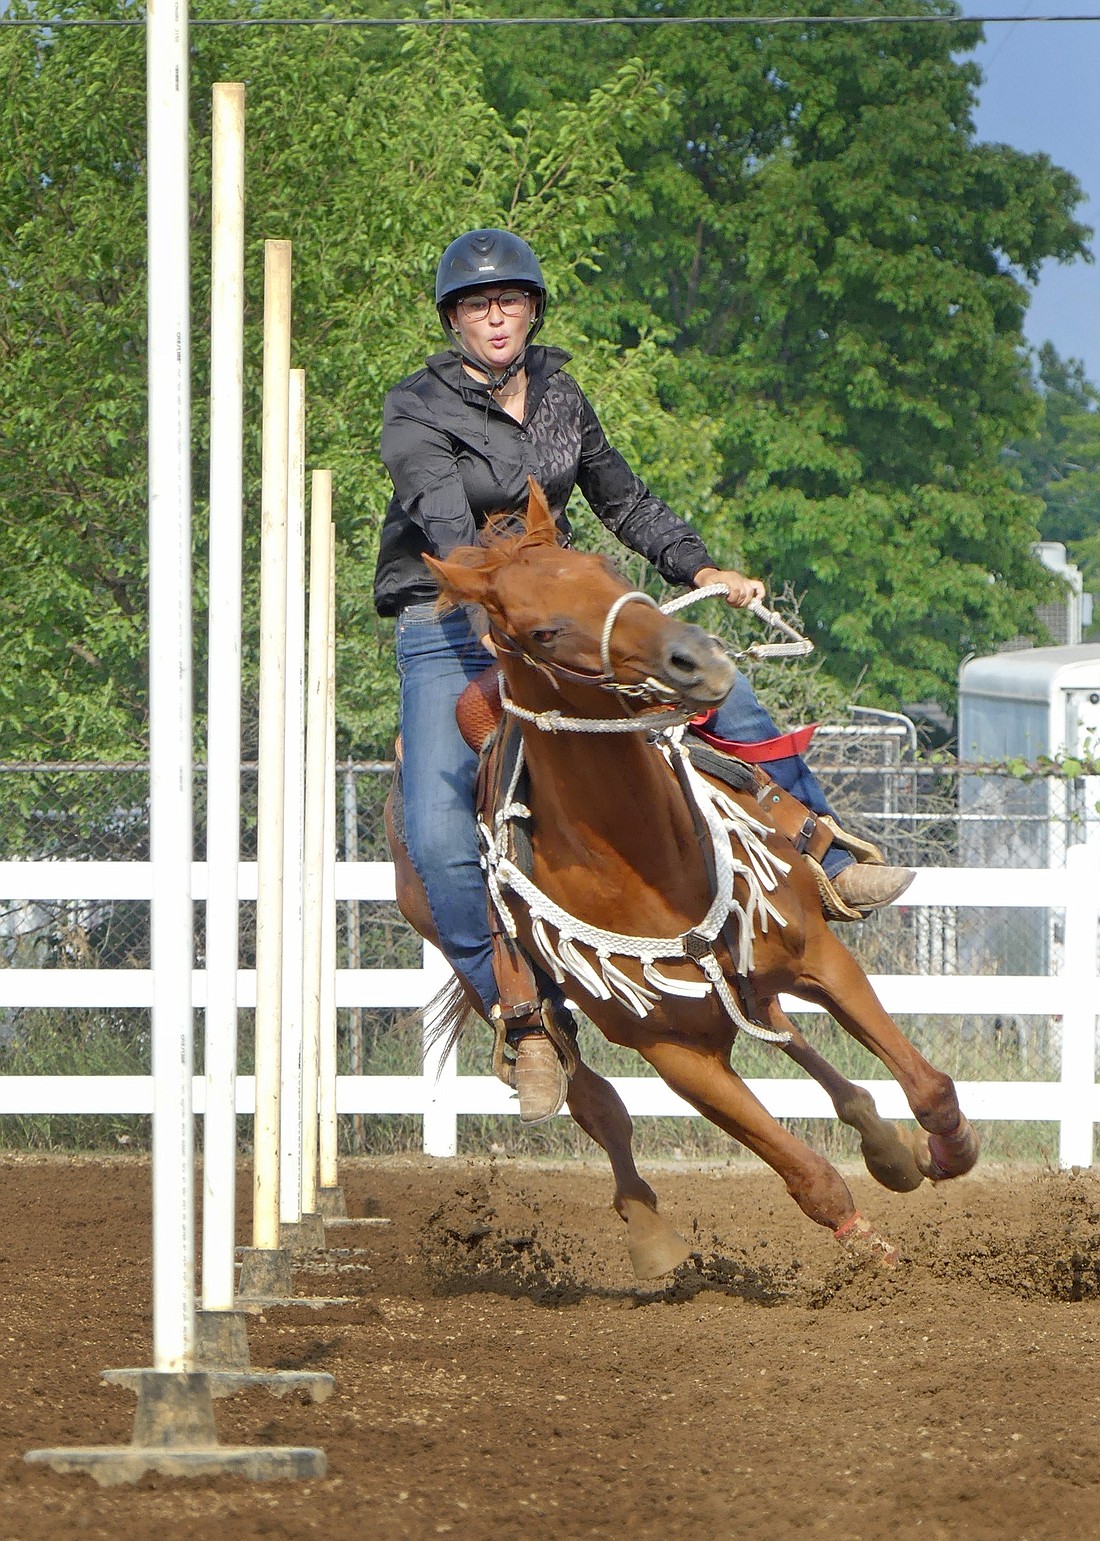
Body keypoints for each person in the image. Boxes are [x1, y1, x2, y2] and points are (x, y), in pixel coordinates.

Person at [375, 228, 912, 1123]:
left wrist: (697, 568)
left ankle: (822, 848)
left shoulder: (559, 393)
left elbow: (621, 497)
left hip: (564, 613)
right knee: (433, 837)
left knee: (711, 679)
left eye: (509, 299)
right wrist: (505, 612)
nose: (495, 314)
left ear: (533, 308)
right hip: (456, 628)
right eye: (476, 304)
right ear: (455, 320)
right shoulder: (415, 408)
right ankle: (525, 1019)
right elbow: (444, 523)